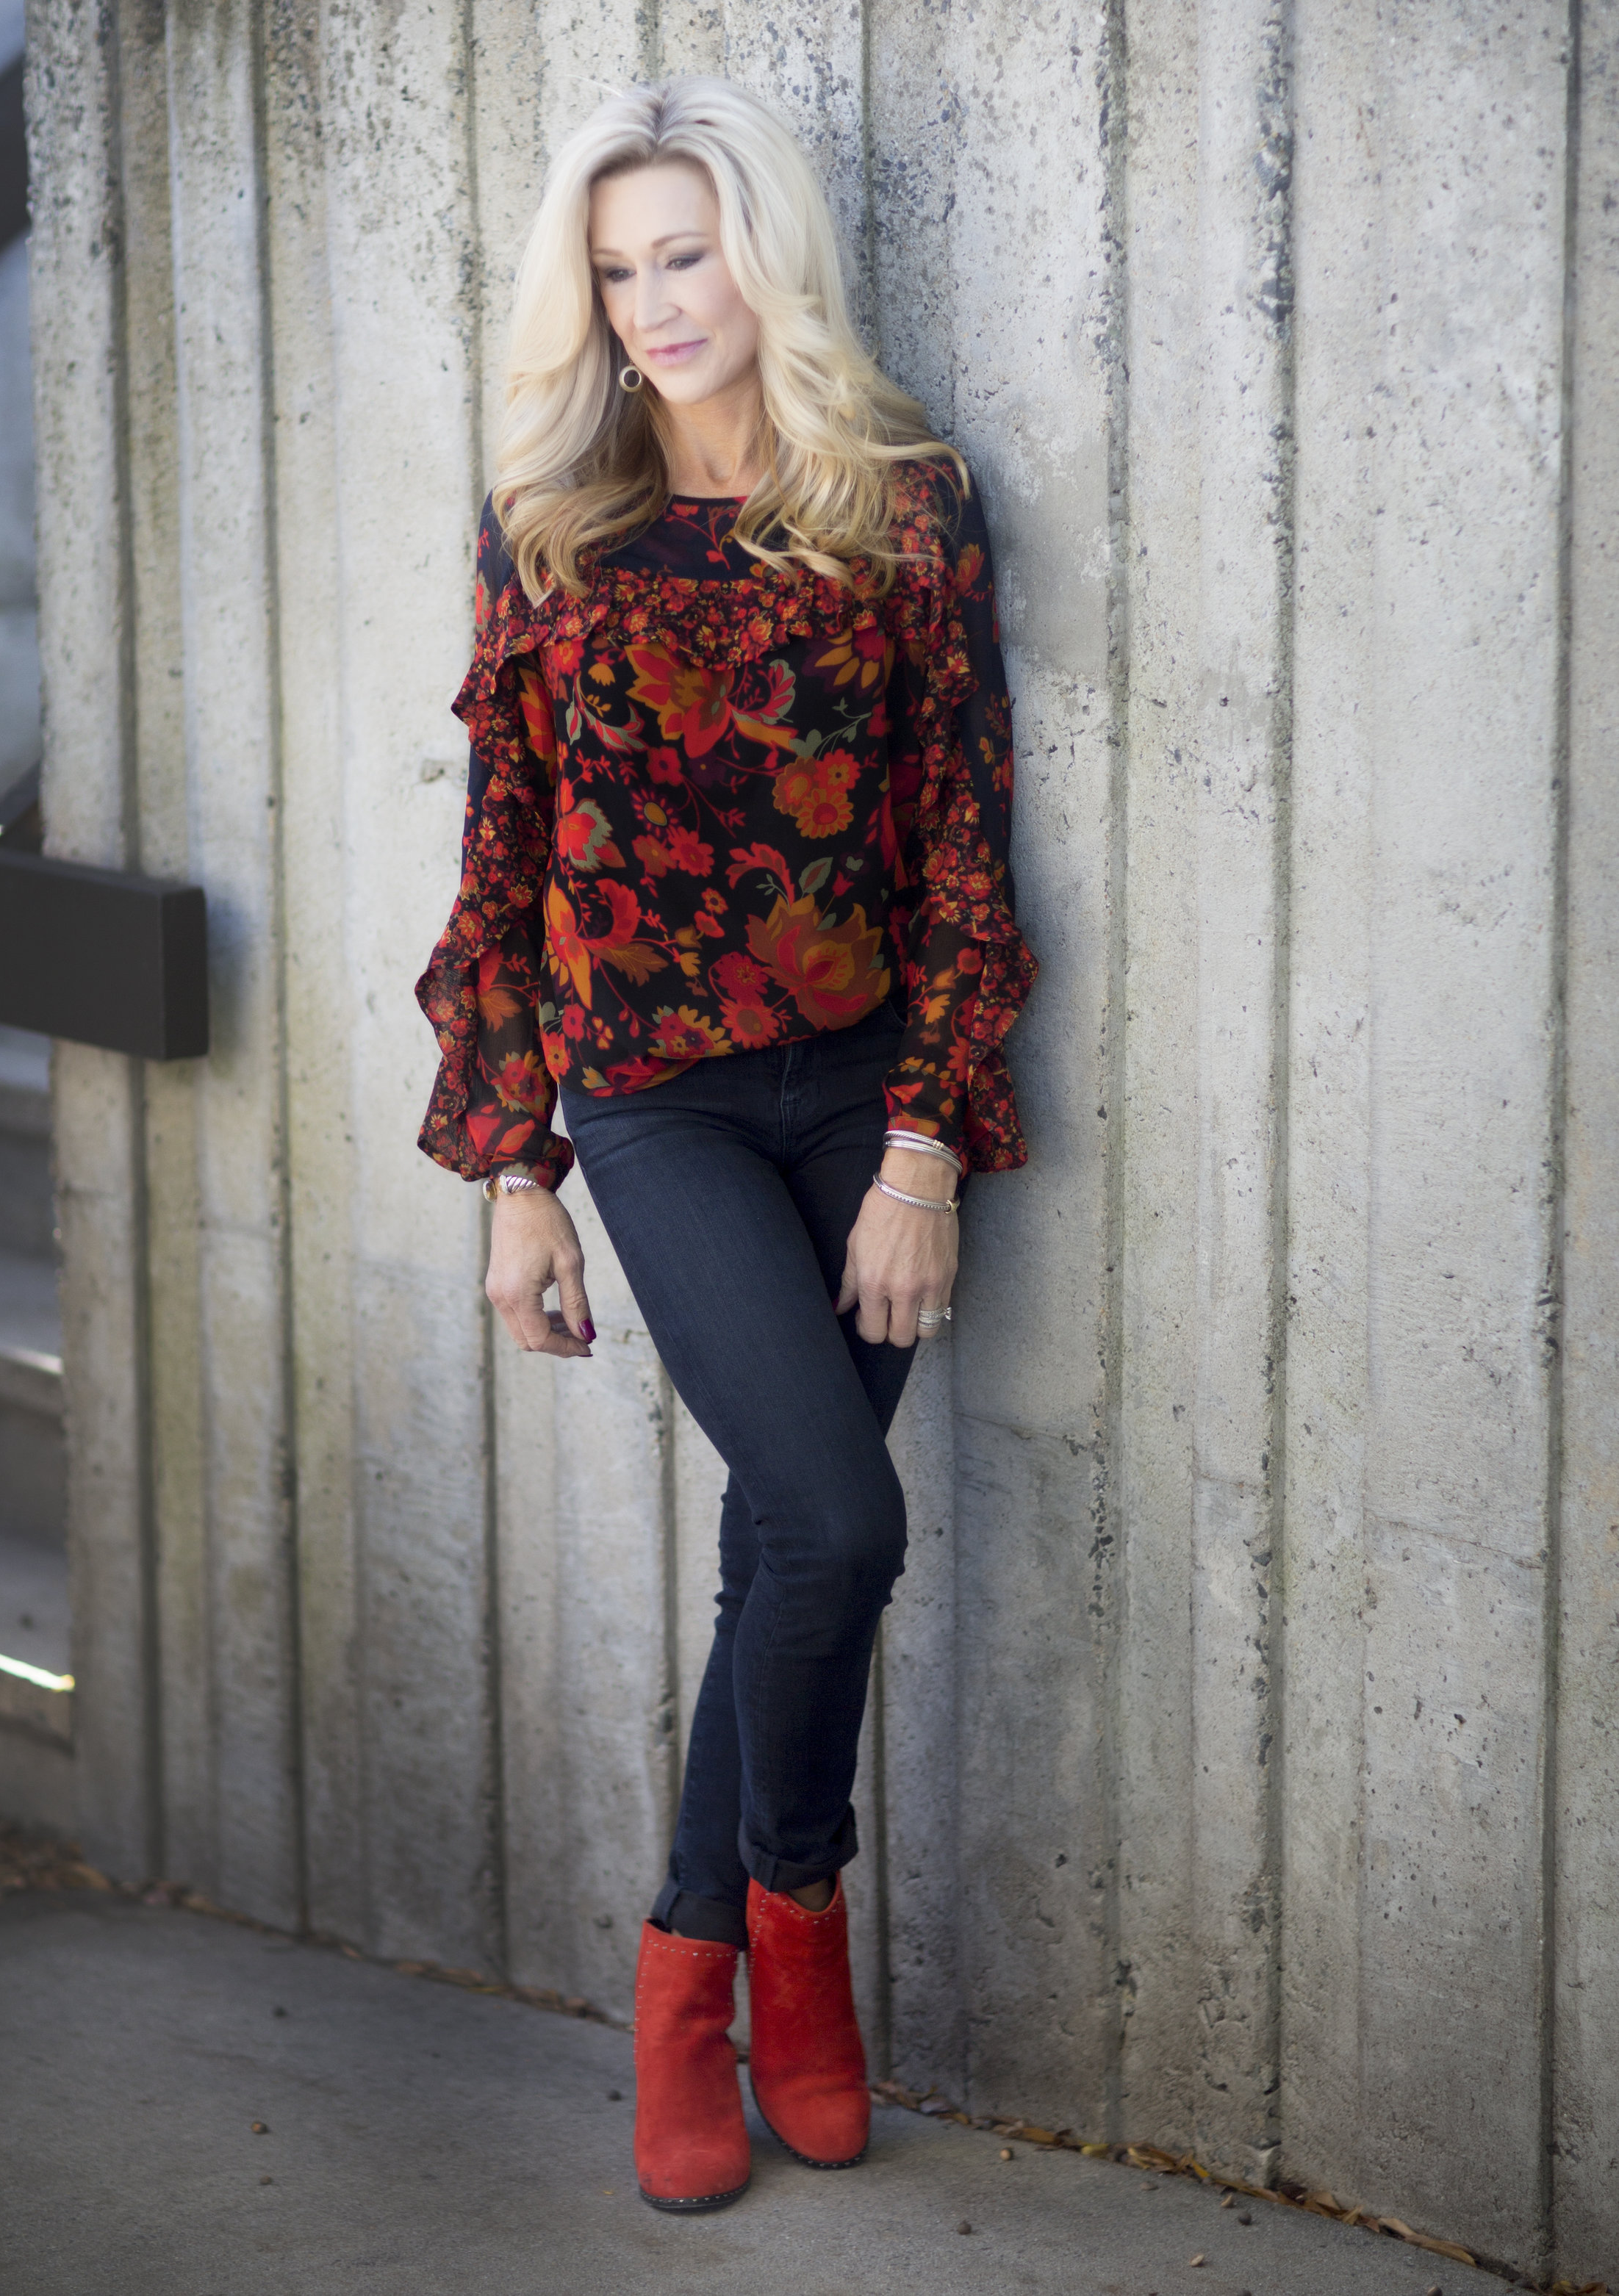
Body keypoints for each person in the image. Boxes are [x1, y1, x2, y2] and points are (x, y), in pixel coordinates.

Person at [416, 76, 1036, 2213]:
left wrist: (927, 1145)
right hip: (653, 1100)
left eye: (684, 254)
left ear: (764, 256)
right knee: (839, 1520)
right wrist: (518, 1173)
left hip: (864, 1091)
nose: (653, 305)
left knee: (781, 1549)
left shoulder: (905, 504)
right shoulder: (550, 523)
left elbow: (965, 833)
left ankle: (703, 1973)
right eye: (614, 271)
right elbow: (505, 857)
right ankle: (793, 1919)